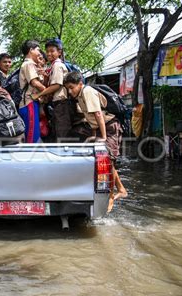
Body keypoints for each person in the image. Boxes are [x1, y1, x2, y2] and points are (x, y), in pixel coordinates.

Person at [63, 71, 128, 213]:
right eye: (68, 88)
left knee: (107, 160)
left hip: (110, 127)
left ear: (80, 84)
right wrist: (94, 135)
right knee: (105, 161)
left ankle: (111, 196)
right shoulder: (79, 96)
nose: (70, 91)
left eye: (72, 87)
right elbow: (91, 118)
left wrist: (103, 137)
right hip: (101, 128)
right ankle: (121, 189)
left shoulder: (87, 92)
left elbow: (98, 114)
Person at [32, 38, 72, 141]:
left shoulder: (58, 66)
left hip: (61, 103)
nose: (49, 54)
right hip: (57, 104)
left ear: (59, 52)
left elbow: (56, 85)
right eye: (47, 51)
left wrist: (38, 95)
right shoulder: (52, 66)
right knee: (56, 131)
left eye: (52, 51)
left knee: (61, 132)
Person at [19, 40, 46, 143]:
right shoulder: (28, 64)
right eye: (38, 50)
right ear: (31, 50)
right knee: (32, 136)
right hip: (29, 102)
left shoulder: (31, 64)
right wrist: (47, 91)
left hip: (31, 103)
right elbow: (34, 82)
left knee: (34, 133)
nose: (39, 53)